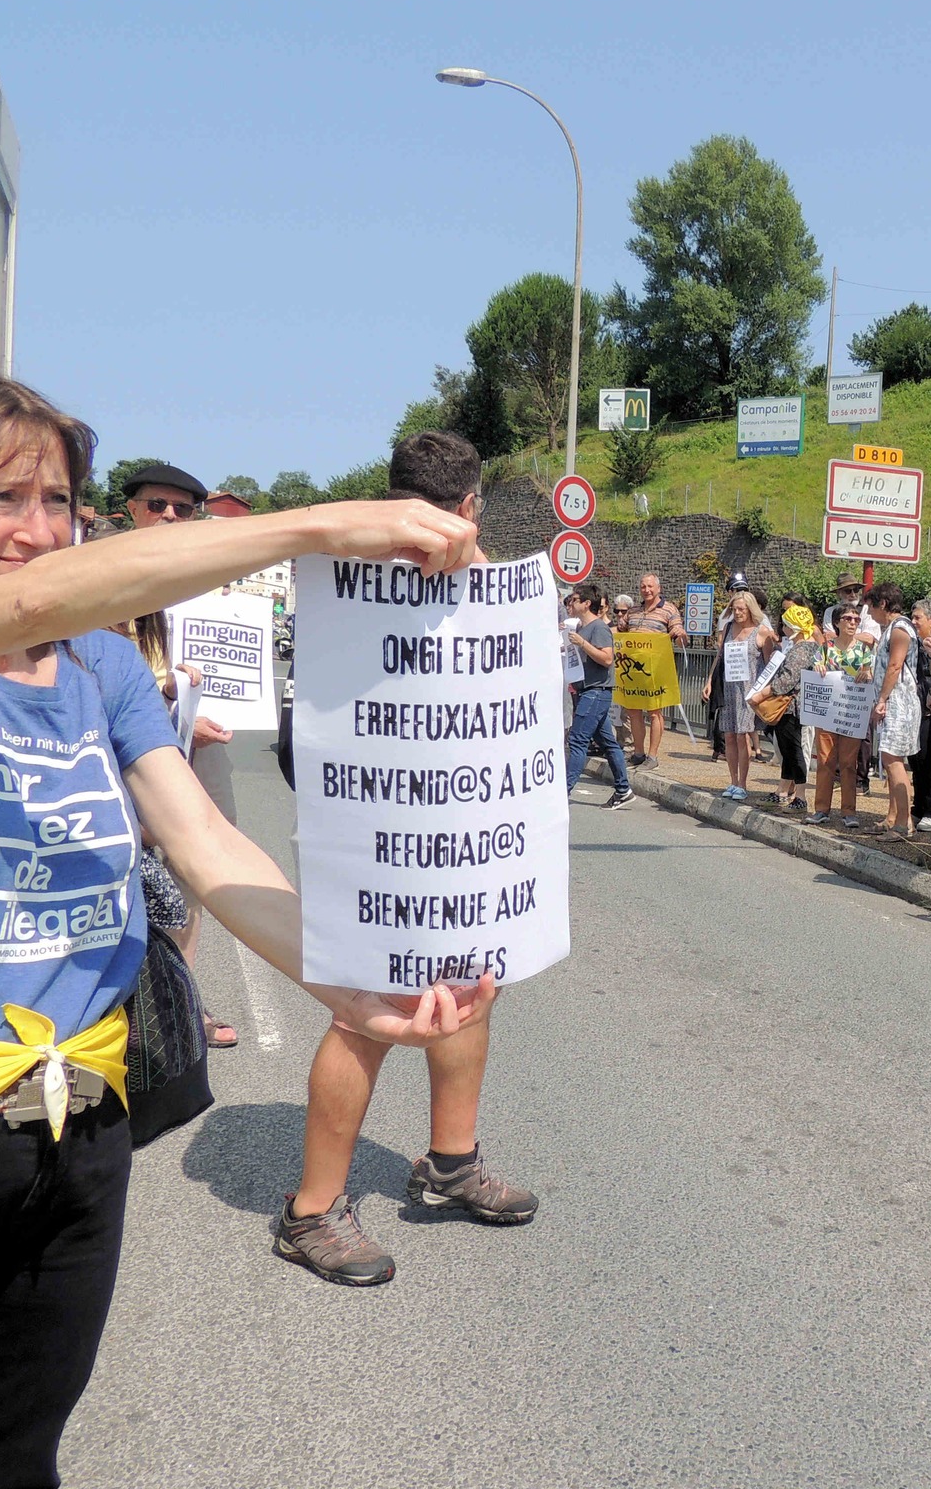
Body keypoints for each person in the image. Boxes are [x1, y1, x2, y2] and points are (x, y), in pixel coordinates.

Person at [0, 367, 488, 1485]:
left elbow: (208, 850)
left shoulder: (104, 667)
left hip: (78, 1139)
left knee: (13, 1460)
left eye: (59, 503)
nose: (42, 533)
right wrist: (321, 525)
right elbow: (31, 602)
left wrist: (348, 982)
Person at [273, 430, 551, 1287]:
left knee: (470, 977)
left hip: (454, 808)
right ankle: (311, 1212)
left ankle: (450, 1165)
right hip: (375, 809)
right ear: (470, 506)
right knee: (367, 1002)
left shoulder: (476, 588)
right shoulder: (357, 577)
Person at [115, 461, 241, 1048]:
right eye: (157, 505)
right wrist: (166, 692)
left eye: (183, 510)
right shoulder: (106, 577)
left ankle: (181, 1002)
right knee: (119, 871)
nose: (169, 517)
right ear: (131, 510)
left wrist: (185, 700)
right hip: (126, 748)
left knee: (200, 865)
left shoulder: (201, 582)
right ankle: (118, 1008)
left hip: (194, 736)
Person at [563, 582, 634, 812]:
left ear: (586, 603)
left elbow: (606, 659)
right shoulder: (582, 629)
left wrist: (582, 643)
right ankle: (623, 790)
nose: (570, 604)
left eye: (574, 600)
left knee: (577, 740)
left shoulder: (598, 629)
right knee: (607, 743)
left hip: (596, 692)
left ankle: (563, 792)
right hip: (590, 691)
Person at [808, 604, 876, 826]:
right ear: (837, 622)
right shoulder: (826, 648)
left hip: (851, 713)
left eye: (856, 619)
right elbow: (815, 666)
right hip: (827, 712)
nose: (853, 623)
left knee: (848, 763)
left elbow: (871, 672)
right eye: (848, 618)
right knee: (826, 761)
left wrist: (867, 673)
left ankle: (849, 811)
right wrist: (818, 669)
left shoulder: (864, 650)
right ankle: (821, 809)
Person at [706, 589, 777, 800]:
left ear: (750, 609)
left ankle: (743, 783)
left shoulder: (761, 631)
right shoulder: (728, 628)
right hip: (728, 688)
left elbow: (768, 664)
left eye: (741, 609)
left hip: (749, 690)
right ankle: (733, 781)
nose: (737, 613)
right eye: (734, 609)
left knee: (742, 735)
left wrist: (764, 692)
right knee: (728, 735)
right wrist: (709, 680)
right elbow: (720, 656)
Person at [752, 604, 818, 808]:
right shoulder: (809, 646)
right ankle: (785, 791)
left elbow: (787, 679)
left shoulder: (801, 649)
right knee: (789, 750)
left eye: (787, 624)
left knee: (794, 750)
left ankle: (800, 796)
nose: (784, 628)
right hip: (794, 705)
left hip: (791, 706)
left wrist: (763, 693)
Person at [867, 582, 919, 839]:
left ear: (883, 604)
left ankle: (903, 823)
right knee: (889, 761)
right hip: (893, 700)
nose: (870, 614)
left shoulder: (900, 629)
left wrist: (882, 699)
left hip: (899, 702)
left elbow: (895, 665)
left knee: (893, 759)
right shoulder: (891, 629)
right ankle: (892, 816)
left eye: (871, 607)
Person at [621, 572, 685, 765]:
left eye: (650, 587)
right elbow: (620, 633)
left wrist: (680, 634)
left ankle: (653, 756)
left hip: (656, 670)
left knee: (655, 712)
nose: (647, 590)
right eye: (643, 587)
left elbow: (681, 638)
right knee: (633, 710)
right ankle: (638, 753)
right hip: (633, 671)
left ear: (658, 588)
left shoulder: (669, 610)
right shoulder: (632, 611)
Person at [910, 599, 931, 832]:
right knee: (916, 759)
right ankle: (918, 808)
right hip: (915, 708)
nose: (913, 622)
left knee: (930, 761)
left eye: (918, 618)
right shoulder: (913, 643)